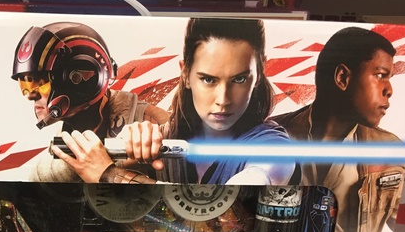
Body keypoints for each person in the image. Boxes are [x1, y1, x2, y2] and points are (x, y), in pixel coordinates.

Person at [52, 18, 297, 186]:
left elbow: (222, 212)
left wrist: (108, 174)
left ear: (260, 73)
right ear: (185, 74)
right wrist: (125, 151)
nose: (223, 100)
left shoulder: (272, 148)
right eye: (208, 79)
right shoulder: (166, 135)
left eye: (239, 79)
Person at [273, 26, 403, 232]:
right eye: (380, 75)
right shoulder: (271, 137)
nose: (389, 90)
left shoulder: (389, 152)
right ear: (342, 77)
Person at [11, 21, 168, 183]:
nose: (30, 96)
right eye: (26, 86)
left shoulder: (154, 124)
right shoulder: (62, 141)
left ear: (79, 81)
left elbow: (178, 193)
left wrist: (108, 173)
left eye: (40, 83)